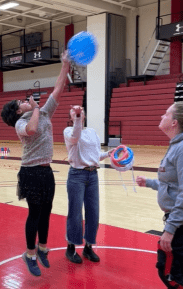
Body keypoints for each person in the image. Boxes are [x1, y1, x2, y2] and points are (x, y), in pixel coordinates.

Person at [0, 51, 70, 277]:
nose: (24, 101)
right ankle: (29, 254)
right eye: (20, 102)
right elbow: (31, 129)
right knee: (35, 213)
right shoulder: (21, 122)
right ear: (18, 111)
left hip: (46, 170)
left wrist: (65, 65)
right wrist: (37, 108)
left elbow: (58, 89)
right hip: (30, 173)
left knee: (47, 212)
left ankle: (42, 249)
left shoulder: (45, 111)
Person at [136, 101, 183, 289]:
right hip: (182, 219)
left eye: (166, 114)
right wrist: (150, 183)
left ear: (174, 122)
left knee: (174, 273)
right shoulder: (179, 145)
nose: (162, 116)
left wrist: (170, 230)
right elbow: (173, 183)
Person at [63, 105, 112, 264]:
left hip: (93, 175)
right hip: (76, 175)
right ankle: (71, 247)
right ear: (71, 117)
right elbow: (75, 137)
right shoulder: (68, 131)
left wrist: (108, 154)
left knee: (94, 213)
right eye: (74, 112)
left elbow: (95, 155)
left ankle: (88, 247)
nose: (78, 112)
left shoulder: (92, 132)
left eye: (81, 110)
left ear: (85, 114)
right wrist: (77, 119)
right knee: (75, 214)